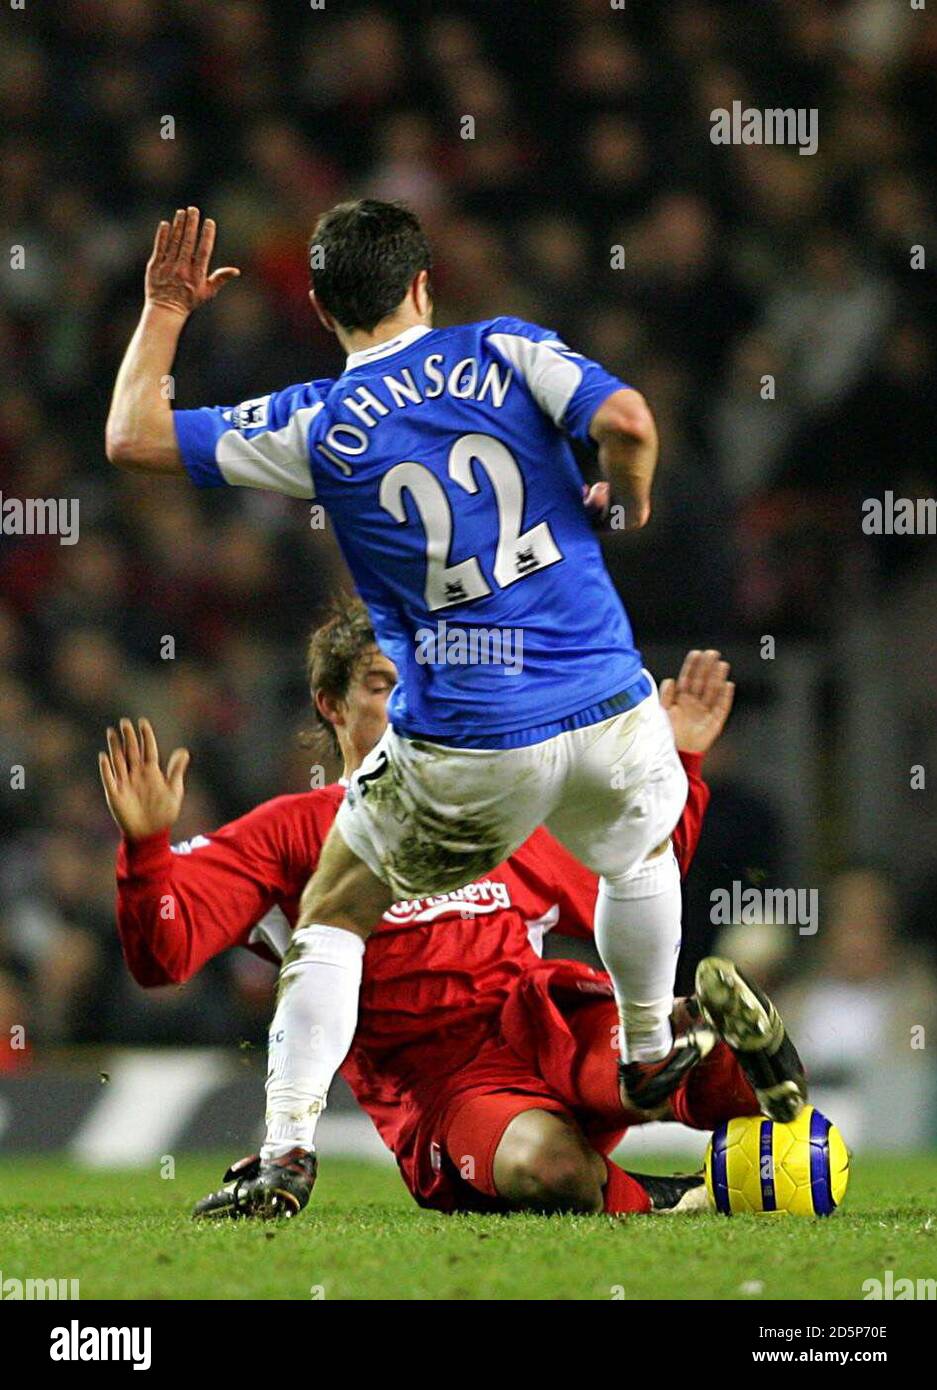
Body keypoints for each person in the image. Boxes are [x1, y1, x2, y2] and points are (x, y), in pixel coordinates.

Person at [105, 200, 805, 1213]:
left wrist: (167, 308)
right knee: (639, 852)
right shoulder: (509, 348)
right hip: (606, 700)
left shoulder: (315, 421)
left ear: (318, 304)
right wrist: (629, 486)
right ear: (423, 284)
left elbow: (131, 436)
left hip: (474, 740)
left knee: (336, 908)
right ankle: (656, 1046)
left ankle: (287, 1147)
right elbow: (630, 421)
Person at [101, 608, 804, 1217]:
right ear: (331, 704)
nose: (407, 704)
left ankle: (744, 1078)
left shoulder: (493, 804)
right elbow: (162, 956)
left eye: (419, 685)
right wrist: (145, 850)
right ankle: (676, 1188)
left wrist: (680, 760)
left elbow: (630, 880)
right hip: (441, 1087)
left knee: (651, 1055)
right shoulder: (292, 830)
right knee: (552, 1170)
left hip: (541, 1020)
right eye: (381, 686)